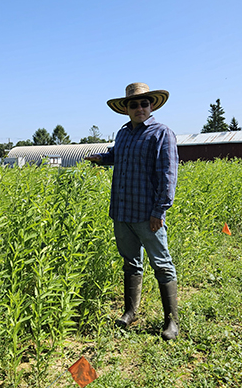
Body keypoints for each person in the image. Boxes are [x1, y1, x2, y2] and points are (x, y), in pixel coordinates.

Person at [85, 82, 179, 341]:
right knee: (130, 262)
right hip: (122, 210)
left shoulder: (162, 133)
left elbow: (168, 175)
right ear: (126, 108)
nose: (140, 108)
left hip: (148, 214)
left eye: (144, 103)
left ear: (152, 106)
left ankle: (171, 321)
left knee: (162, 265)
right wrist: (102, 159)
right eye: (134, 104)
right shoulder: (123, 133)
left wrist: (159, 211)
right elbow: (118, 154)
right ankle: (130, 312)